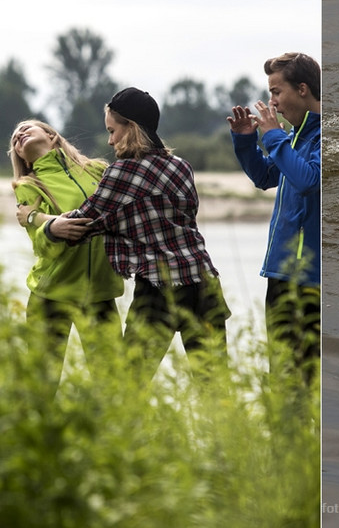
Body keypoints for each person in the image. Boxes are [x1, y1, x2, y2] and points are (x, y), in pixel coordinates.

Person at [47, 88, 231, 386]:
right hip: (204, 282)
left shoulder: (122, 172)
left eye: (112, 130)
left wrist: (43, 222)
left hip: (159, 288)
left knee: (127, 388)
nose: (109, 140)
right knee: (215, 387)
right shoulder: (181, 166)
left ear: (130, 128)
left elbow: (82, 224)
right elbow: (183, 217)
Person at [8, 120, 125, 394]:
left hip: (101, 294)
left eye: (27, 128)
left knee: (113, 389)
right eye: (15, 139)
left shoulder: (97, 170)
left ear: (50, 134)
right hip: (50, 296)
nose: (19, 135)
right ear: (21, 157)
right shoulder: (28, 186)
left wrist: (40, 218)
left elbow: (115, 217)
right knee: (42, 390)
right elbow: (43, 247)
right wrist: (51, 229)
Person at [228, 52, 320, 385]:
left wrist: (273, 136)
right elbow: (266, 175)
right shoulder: (294, 136)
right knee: (282, 376)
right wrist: (244, 140)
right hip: (280, 273)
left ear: (303, 89)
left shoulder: (325, 136)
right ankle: (288, 439)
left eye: (277, 92)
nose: (272, 102)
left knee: (308, 379)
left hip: (310, 280)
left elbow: (309, 180)